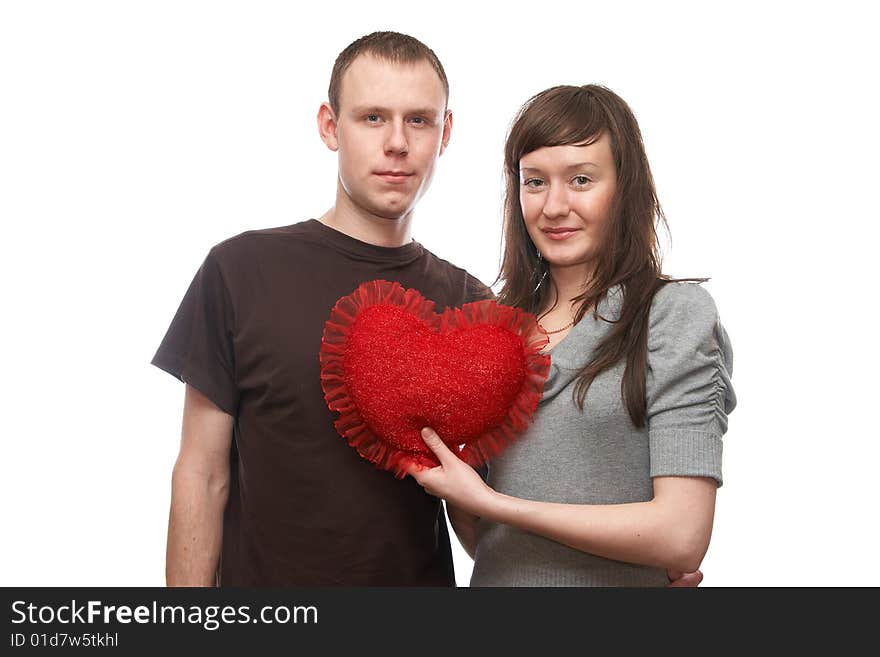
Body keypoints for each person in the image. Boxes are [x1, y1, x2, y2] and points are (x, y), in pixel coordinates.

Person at [153, 31, 703, 586]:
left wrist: (640, 569)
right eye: (372, 117)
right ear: (329, 126)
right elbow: (201, 475)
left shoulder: (476, 309)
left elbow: (475, 507)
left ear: (445, 133)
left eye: (419, 120)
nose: (397, 142)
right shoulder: (241, 270)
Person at [409, 84, 736, 586]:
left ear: (624, 188)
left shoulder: (671, 316)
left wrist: (498, 505)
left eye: (581, 179)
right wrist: (482, 507)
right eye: (534, 182)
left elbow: (682, 534)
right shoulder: (493, 328)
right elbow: (485, 537)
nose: (554, 206)